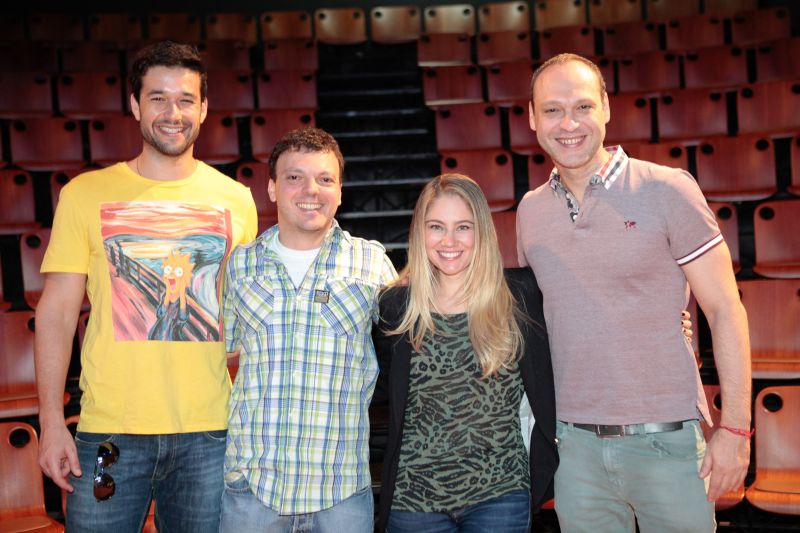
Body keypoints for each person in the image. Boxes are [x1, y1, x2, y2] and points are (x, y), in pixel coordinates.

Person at [517, 53, 751, 532]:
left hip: (668, 444)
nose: (569, 124)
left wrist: (736, 430)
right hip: (575, 450)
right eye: (554, 109)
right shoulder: (530, 211)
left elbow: (726, 309)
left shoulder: (668, 189)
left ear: (606, 107)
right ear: (532, 117)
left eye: (582, 106)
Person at [34, 41, 258, 532]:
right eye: (157, 98)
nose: (171, 112)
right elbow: (56, 313)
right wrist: (51, 422)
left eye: (184, 99)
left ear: (203, 109)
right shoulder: (83, 195)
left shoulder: (236, 201)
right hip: (111, 430)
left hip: (209, 433)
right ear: (135, 106)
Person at [220, 127, 397, 533]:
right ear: (271, 188)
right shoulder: (241, 265)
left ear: (340, 191)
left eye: (324, 179)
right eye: (294, 177)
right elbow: (221, 357)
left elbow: (408, 348)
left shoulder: (371, 264)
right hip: (253, 491)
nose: (310, 190)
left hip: (340, 493)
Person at [374, 174, 558, 532]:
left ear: (482, 233)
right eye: (436, 227)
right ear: (419, 232)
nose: (449, 241)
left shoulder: (520, 295)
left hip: (500, 495)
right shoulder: (396, 307)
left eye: (463, 227)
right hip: (414, 501)